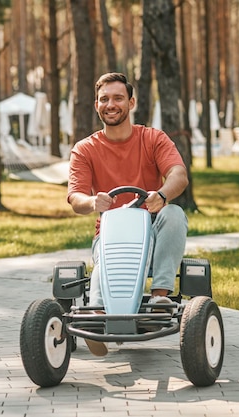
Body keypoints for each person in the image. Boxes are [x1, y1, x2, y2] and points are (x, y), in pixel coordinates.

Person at [67, 72, 188, 356]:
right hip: (111, 235)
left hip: (153, 231)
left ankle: (160, 297)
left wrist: (161, 195)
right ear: (96, 105)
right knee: (103, 266)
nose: (111, 104)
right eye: (104, 99)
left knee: (174, 214)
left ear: (131, 102)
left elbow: (178, 174)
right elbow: (75, 197)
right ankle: (96, 317)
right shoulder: (85, 149)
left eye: (118, 98)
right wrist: (91, 202)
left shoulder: (152, 139)